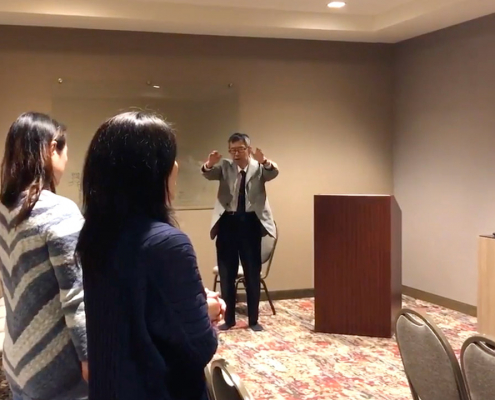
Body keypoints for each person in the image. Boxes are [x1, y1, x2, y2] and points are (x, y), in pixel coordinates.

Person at [76, 111, 221, 400]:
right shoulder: (168, 244)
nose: (177, 166)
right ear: (151, 172)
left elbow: (131, 312)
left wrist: (188, 300)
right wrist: (207, 310)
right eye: (171, 158)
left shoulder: (96, 236)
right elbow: (199, 345)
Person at [0, 112, 88, 400]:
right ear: (52, 148)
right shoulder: (59, 211)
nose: (67, 160)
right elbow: (75, 296)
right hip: (56, 366)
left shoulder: (4, 210)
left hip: (15, 358)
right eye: (65, 151)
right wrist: (89, 356)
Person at [201, 132, 279, 331]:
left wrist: (265, 161)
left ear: (248, 149)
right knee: (226, 272)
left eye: (240, 149)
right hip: (227, 222)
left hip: (250, 223)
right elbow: (208, 174)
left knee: (252, 272)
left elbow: (273, 173)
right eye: (232, 150)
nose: (236, 153)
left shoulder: (259, 168)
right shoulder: (225, 167)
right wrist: (209, 164)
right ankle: (229, 319)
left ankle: (253, 320)